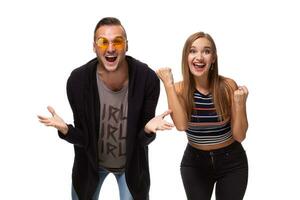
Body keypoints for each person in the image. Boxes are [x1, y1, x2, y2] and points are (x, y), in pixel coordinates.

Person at [38, 17, 173, 200]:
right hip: (90, 166)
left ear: (126, 45)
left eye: (117, 41)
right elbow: (84, 139)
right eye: (103, 42)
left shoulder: (146, 78)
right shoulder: (78, 81)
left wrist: (149, 130)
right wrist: (66, 130)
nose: (110, 48)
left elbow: (141, 141)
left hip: (131, 168)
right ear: (94, 47)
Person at [156, 32, 248, 200]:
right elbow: (182, 126)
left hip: (232, 162)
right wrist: (168, 85)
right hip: (195, 163)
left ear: (213, 58)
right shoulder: (178, 90)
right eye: (193, 51)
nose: (199, 57)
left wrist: (240, 104)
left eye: (206, 51)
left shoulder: (228, 86)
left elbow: (239, 136)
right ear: (186, 57)